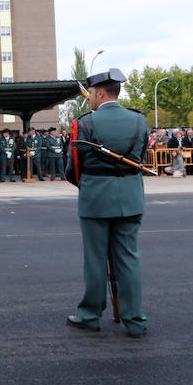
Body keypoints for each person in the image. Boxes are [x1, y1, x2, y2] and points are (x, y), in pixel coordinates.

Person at [65, 68, 148, 338]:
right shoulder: (139, 120)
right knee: (129, 259)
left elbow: (73, 168)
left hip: (95, 199)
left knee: (95, 259)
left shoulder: (85, 123)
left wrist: (90, 186)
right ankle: (134, 320)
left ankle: (90, 315)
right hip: (130, 197)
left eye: (90, 93)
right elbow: (140, 158)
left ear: (100, 93)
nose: (89, 97)